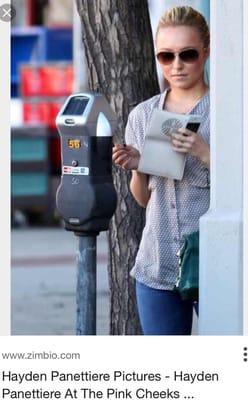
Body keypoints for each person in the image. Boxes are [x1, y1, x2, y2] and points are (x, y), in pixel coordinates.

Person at [112, 6, 210, 335]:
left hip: (215, 262)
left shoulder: (228, 111)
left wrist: (204, 152)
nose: (177, 65)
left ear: (206, 52)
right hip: (156, 264)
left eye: (188, 54)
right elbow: (141, 200)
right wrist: (138, 168)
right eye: (166, 57)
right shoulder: (142, 116)